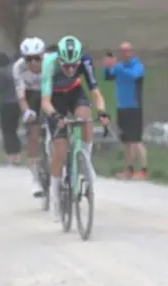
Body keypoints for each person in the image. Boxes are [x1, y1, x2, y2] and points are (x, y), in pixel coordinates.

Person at [40, 35, 109, 220]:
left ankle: (85, 161)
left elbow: (95, 92)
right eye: (66, 66)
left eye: (74, 66)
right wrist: (55, 115)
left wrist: (102, 111)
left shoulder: (85, 62)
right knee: (60, 149)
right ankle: (55, 195)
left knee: (85, 118)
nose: (70, 70)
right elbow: (45, 102)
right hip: (55, 99)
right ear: (59, 60)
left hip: (75, 93)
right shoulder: (49, 62)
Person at [104, 41, 148, 180]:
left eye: (127, 51)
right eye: (122, 51)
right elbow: (107, 76)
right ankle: (129, 169)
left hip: (134, 107)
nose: (124, 54)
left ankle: (144, 170)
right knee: (126, 141)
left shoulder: (138, 66)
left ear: (131, 51)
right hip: (121, 107)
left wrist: (117, 67)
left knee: (136, 140)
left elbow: (133, 76)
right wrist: (108, 66)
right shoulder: (119, 67)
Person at [13, 37, 47, 197]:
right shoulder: (18, 68)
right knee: (33, 134)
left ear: (43, 55)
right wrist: (27, 111)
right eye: (29, 59)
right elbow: (21, 97)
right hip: (30, 95)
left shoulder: (51, 63)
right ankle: (35, 178)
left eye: (37, 58)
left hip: (49, 93)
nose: (33, 62)